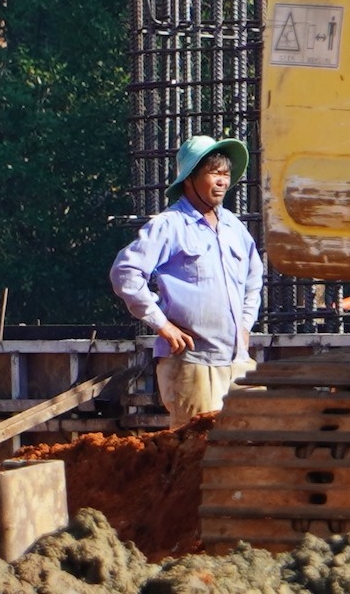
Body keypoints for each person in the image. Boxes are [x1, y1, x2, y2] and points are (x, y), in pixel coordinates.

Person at [112, 134, 266, 420]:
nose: (221, 181)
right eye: (212, 173)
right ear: (189, 179)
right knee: (196, 453)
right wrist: (163, 326)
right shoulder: (169, 225)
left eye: (225, 174)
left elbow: (254, 279)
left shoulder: (234, 227)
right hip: (192, 364)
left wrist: (245, 324)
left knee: (254, 444)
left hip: (237, 361)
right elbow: (125, 272)